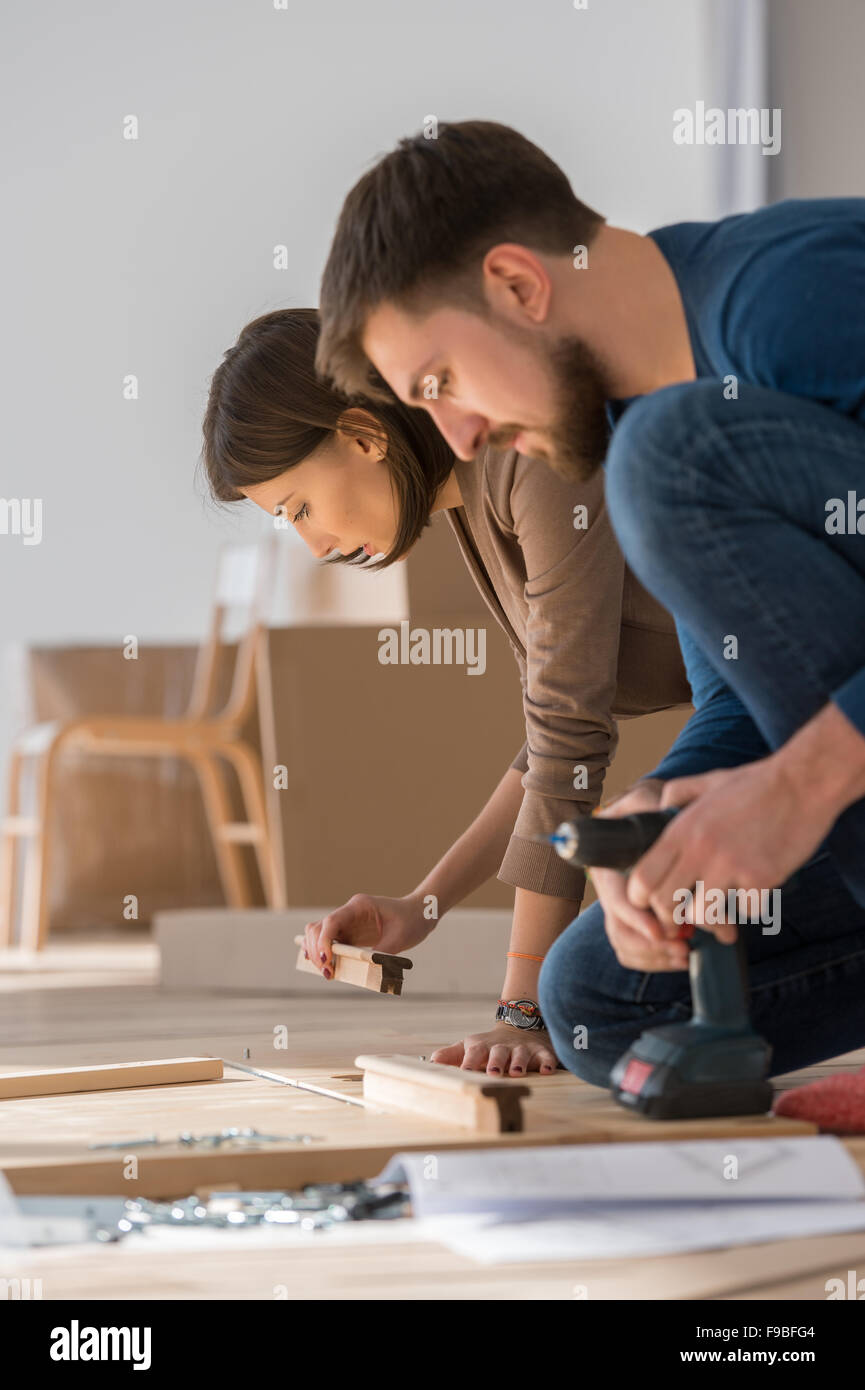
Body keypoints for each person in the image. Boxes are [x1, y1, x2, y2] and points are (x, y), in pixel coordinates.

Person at [315, 119, 865, 1084]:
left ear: (519, 285)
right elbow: (741, 697)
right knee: (597, 1001)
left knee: (666, 461)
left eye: (439, 381)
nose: (457, 435)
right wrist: (658, 817)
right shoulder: (638, 435)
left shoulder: (784, 298)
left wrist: (798, 785)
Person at [201, 306, 690, 1076]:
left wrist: (522, 1010)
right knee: (599, 976)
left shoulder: (523, 454)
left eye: (299, 509)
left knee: (585, 995)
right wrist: (420, 907)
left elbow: (570, 738)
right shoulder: (462, 492)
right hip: (762, 716)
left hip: (811, 711)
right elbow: (546, 743)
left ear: (363, 436)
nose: (315, 544)